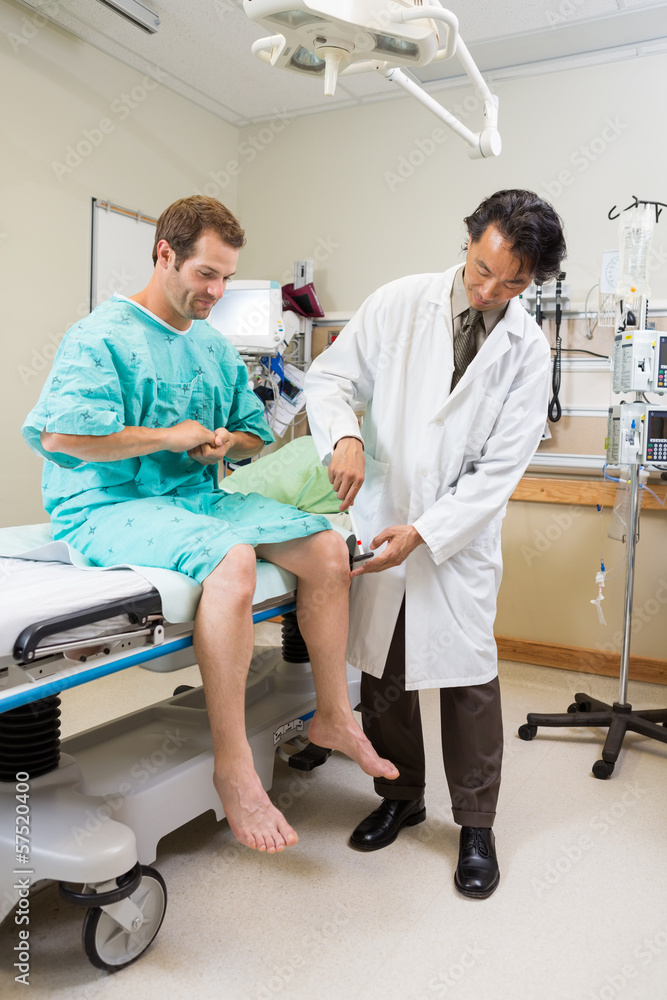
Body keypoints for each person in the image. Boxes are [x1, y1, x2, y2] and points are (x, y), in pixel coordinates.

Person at [22, 196, 398, 856]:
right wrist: (170, 437)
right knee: (234, 559)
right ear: (164, 254)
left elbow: (254, 434)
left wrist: (224, 446)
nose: (217, 292)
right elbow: (64, 436)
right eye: (205, 274)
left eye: (226, 277)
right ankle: (234, 768)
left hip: (193, 498)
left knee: (324, 547)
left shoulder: (211, 347)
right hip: (104, 504)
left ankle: (334, 717)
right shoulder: (101, 336)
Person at [305, 189, 566, 898]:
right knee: (384, 672)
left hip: (457, 539)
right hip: (382, 510)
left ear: (533, 280)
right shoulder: (399, 302)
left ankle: (475, 825)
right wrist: (345, 434)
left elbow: (500, 471)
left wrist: (426, 532)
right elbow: (329, 378)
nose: (488, 291)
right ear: (469, 240)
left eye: (511, 283)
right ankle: (400, 796)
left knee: (467, 679)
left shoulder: (527, 349)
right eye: (482, 269)